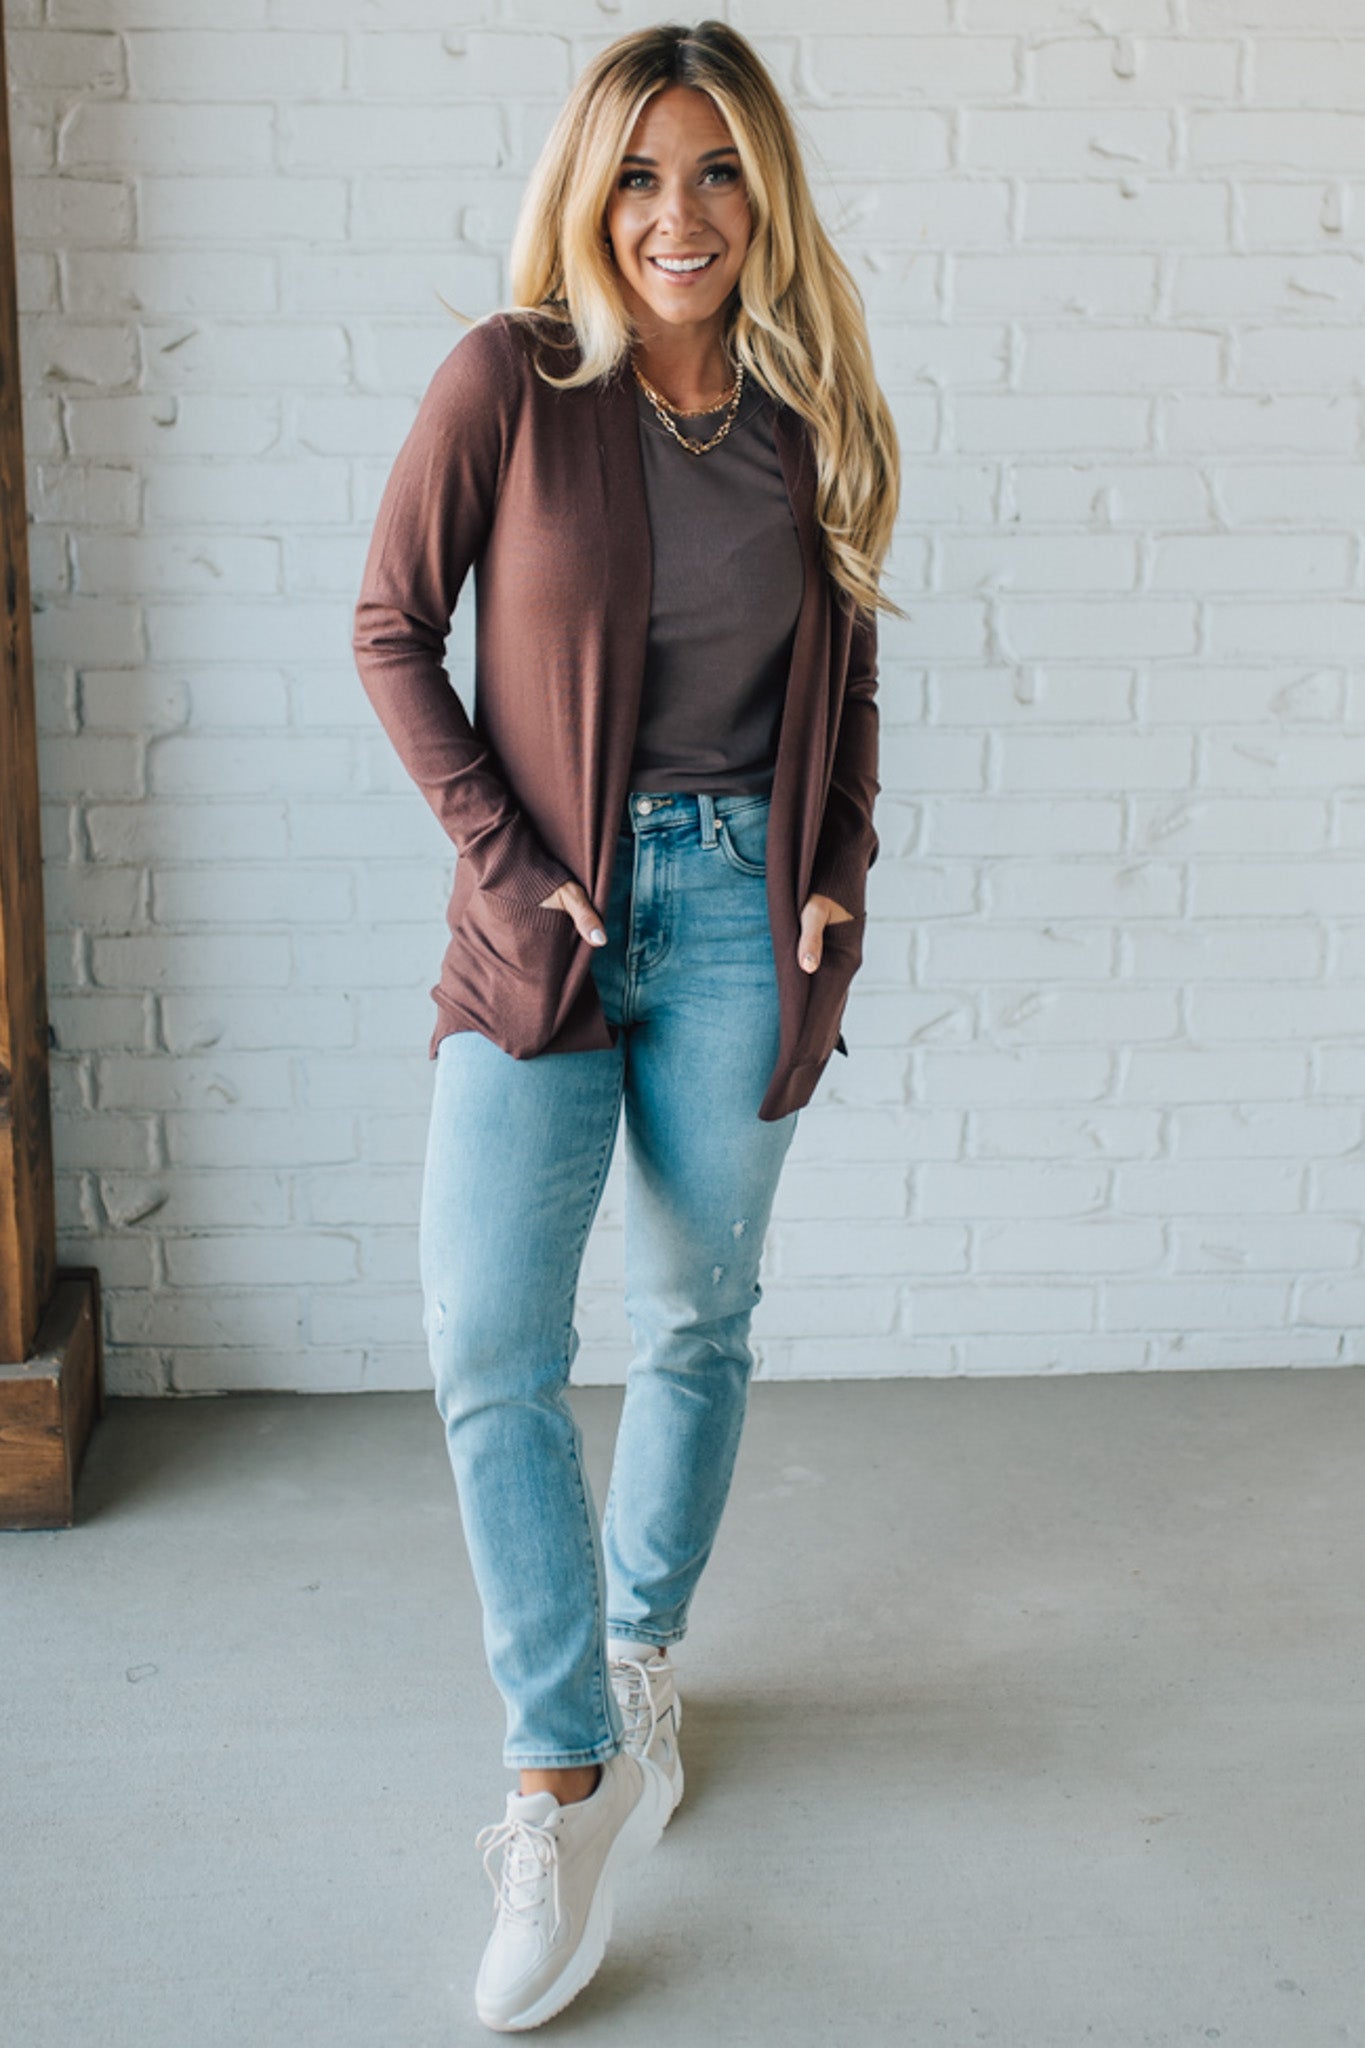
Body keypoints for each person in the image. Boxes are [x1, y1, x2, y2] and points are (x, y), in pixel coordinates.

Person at [351, 18, 900, 2033]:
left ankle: (638, 1655)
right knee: (484, 1335)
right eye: (642, 174)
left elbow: (841, 692)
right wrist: (507, 855)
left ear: (764, 196)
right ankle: (556, 1771)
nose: (680, 215)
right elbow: (388, 626)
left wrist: (832, 864)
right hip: (540, 931)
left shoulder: (802, 410)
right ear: (591, 189)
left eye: (718, 173)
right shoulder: (510, 379)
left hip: (744, 908)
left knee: (693, 1314)